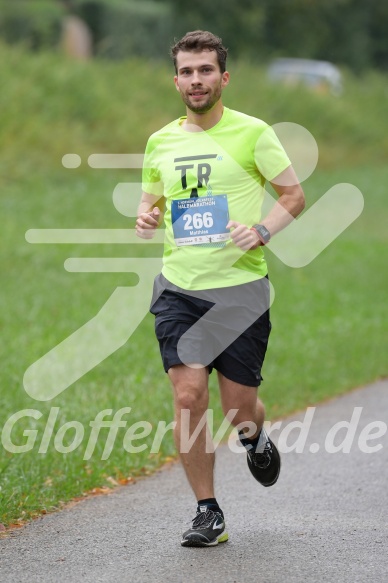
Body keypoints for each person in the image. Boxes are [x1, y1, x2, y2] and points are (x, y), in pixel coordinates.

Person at [136, 30, 305, 547]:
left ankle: (254, 437)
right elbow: (153, 204)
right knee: (188, 395)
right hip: (180, 289)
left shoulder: (254, 133)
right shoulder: (160, 141)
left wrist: (262, 231)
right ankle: (208, 511)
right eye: (187, 72)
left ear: (223, 77)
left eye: (205, 70)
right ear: (176, 80)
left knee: (238, 406)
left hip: (240, 291)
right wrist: (146, 217)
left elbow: (293, 195)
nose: (196, 80)